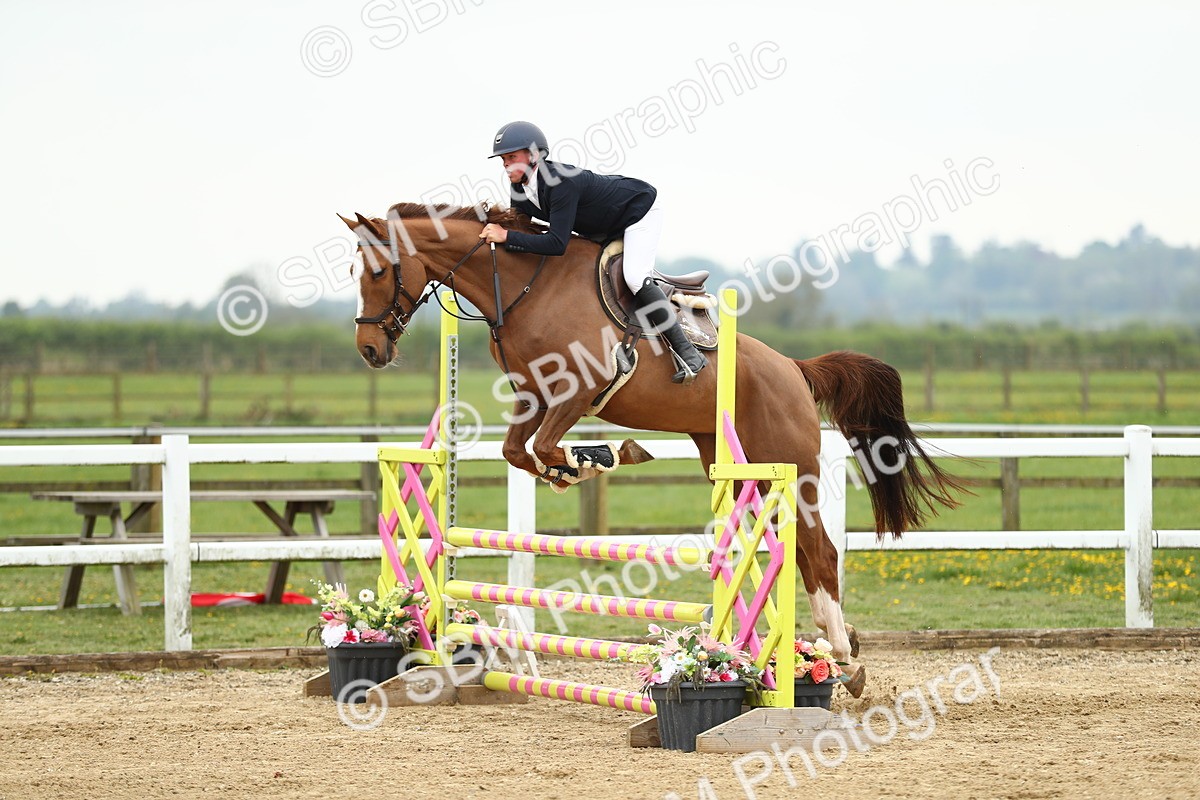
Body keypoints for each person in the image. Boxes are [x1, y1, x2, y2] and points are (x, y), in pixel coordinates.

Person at [479, 120, 707, 384]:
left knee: (634, 277)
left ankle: (689, 353)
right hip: (601, 227)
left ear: (533, 156)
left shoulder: (560, 182)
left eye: (511, 157)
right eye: (503, 159)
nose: (506, 164)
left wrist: (506, 235)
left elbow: (556, 244)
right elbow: (524, 230)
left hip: (638, 213)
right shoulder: (519, 187)